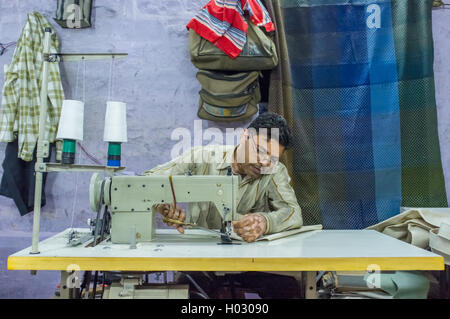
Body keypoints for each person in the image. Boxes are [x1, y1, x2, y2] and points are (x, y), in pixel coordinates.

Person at [144, 112, 303, 242]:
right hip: (197, 251)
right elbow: (146, 182)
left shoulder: (275, 171)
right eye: (260, 151)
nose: (264, 162)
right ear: (244, 136)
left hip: (248, 257)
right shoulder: (202, 157)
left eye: (273, 158)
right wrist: (162, 205)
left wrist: (265, 222)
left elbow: (293, 212)